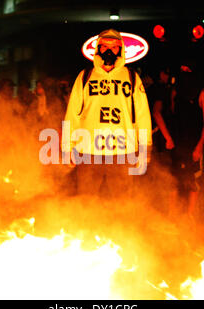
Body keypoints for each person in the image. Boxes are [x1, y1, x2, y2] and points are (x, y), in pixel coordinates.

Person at [62, 29, 152, 197]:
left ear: (121, 49)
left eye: (114, 46)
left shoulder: (132, 77)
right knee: (86, 202)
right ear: (98, 49)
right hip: (88, 151)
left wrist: (145, 147)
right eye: (104, 46)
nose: (109, 50)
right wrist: (67, 147)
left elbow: (142, 115)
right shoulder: (85, 77)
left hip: (122, 152)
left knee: (122, 203)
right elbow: (72, 114)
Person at [170, 60, 204, 216]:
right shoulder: (176, 92)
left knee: (192, 182)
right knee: (175, 181)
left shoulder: (202, 93)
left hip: (194, 143)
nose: (184, 73)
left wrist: (200, 146)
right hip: (177, 143)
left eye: (187, 70)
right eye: (182, 70)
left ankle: (190, 216)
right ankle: (172, 215)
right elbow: (174, 116)